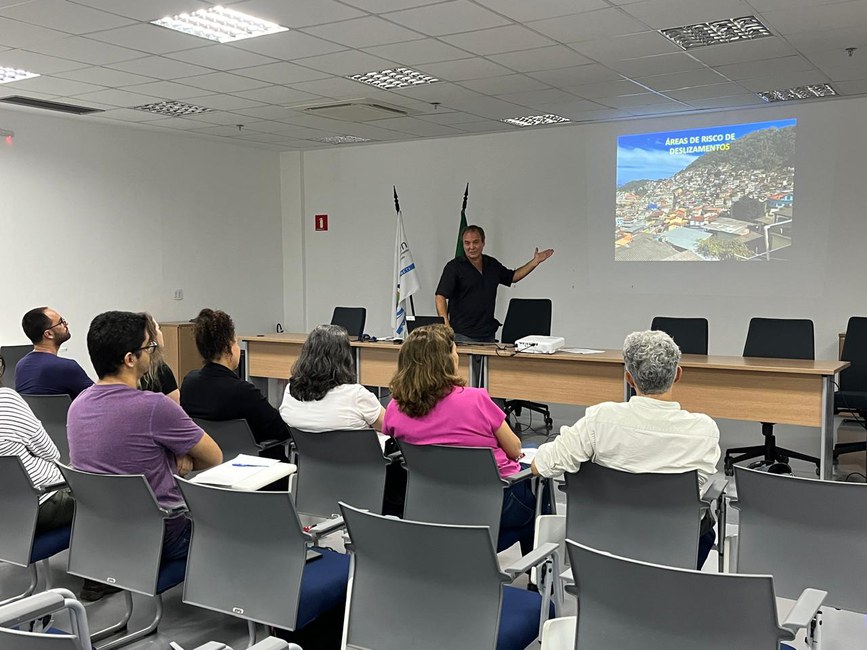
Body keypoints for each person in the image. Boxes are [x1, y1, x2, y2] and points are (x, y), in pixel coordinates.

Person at [531, 329, 721, 568]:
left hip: (607, 539)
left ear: (628, 378)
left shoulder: (600, 420)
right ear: (677, 375)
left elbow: (542, 466)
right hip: (677, 544)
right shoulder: (704, 430)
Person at [67, 311, 222, 598]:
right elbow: (214, 457)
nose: (153, 352)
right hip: (163, 533)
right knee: (232, 526)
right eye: (148, 347)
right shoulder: (155, 406)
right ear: (130, 359)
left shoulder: (78, 405)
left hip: (104, 533)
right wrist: (181, 456)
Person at [382, 324, 537, 553]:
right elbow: (515, 449)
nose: (457, 355)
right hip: (496, 503)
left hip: (431, 502)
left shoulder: (395, 407)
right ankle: (538, 576)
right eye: (454, 350)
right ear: (446, 360)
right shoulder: (476, 400)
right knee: (539, 489)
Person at [181, 309, 289, 450]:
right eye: (235, 342)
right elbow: (281, 430)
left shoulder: (189, 383)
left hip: (207, 465)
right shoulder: (243, 392)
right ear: (228, 347)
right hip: (253, 467)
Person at [435, 225, 554, 343]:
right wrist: (445, 326)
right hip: (462, 335)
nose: (471, 247)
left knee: (490, 363)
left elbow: (513, 277)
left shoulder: (492, 264)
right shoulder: (454, 267)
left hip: (488, 334)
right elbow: (440, 297)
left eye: (475, 242)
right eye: (467, 243)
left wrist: (534, 262)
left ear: (483, 242)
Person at [0, 352, 74, 534]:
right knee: (105, 502)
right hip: (42, 503)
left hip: (7, 513)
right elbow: (51, 453)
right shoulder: (6, 400)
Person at [279, 324, 385, 432]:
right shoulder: (356, 395)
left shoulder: (290, 392)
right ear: (345, 357)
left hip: (309, 449)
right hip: (353, 449)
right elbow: (390, 426)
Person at [15, 307, 93, 397]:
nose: (66, 324)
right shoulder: (66, 367)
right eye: (61, 322)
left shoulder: (21, 366)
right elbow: (99, 398)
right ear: (48, 334)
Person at [138, 314, 180, 403]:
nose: (161, 333)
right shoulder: (161, 371)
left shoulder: (129, 371)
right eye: (158, 329)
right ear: (151, 337)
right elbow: (176, 406)